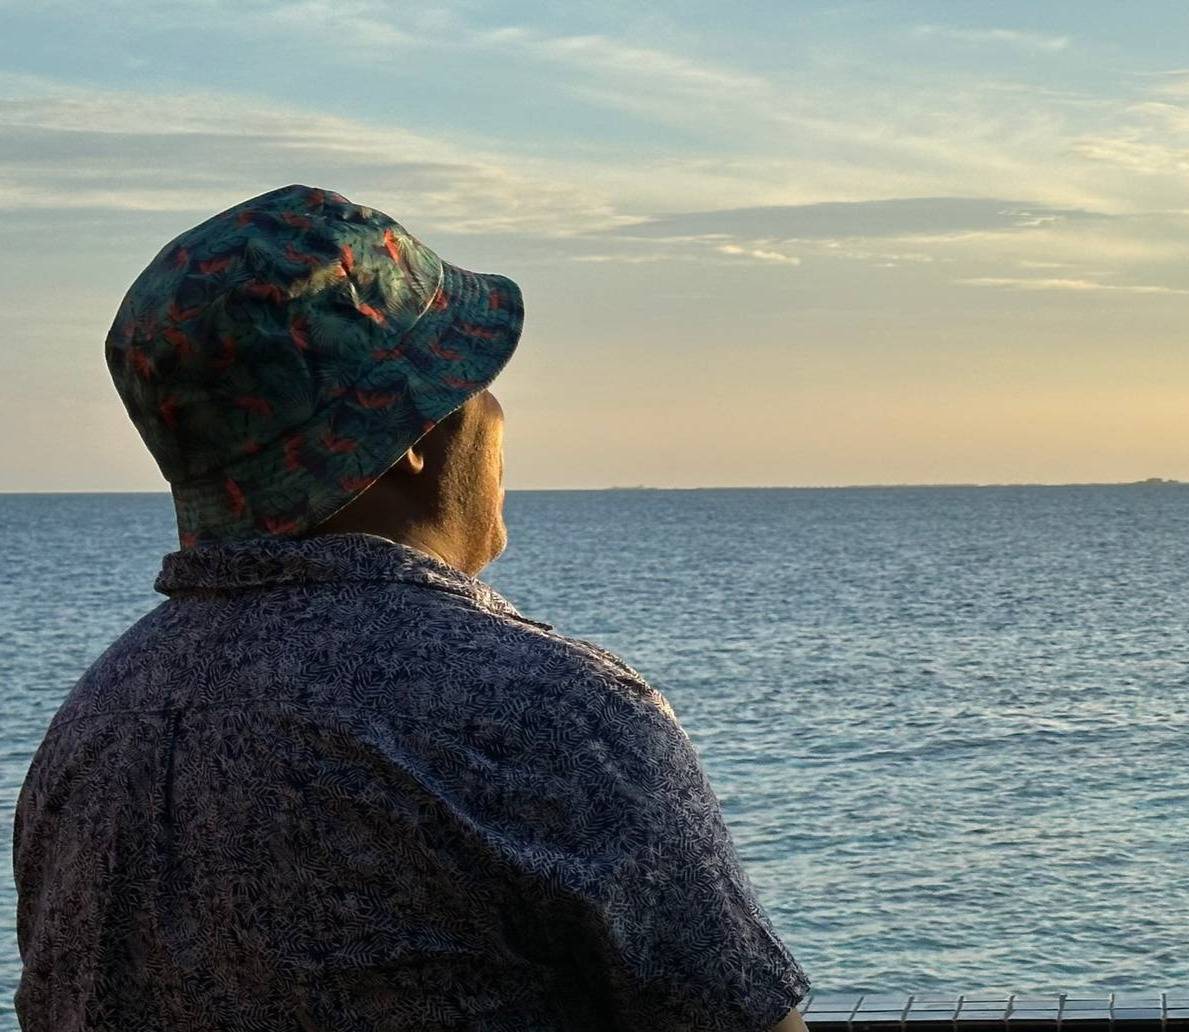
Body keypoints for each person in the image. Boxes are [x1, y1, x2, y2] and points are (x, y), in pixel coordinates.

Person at [12, 184, 813, 1031]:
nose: (497, 413)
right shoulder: (547, 716)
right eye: (477, 379)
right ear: (405, 437)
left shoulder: (93, 731)